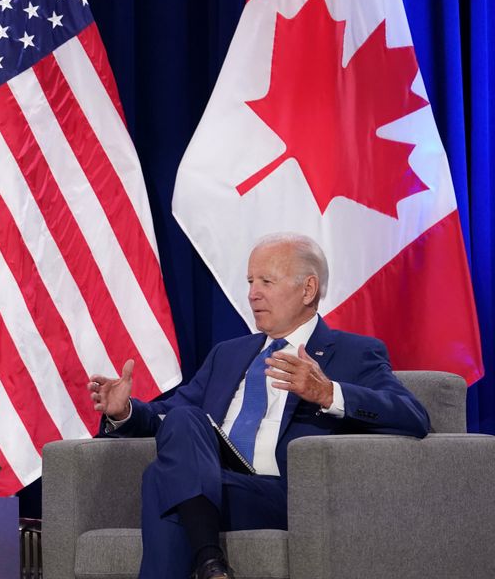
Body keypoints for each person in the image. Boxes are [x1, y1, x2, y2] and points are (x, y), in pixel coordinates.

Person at [87, 233, 429, 579]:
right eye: (251, 281)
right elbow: (171, 416)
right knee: (184, 423)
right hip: (214, 480)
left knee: (162, 480)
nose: (253, 293)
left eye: (266, 281)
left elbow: (412, 416)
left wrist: (328, 393)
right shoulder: (228, 353)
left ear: (307, 290)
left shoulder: (354, 353)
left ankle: (209, 561)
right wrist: (125, 411)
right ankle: (211, 565)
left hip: (282, 493)